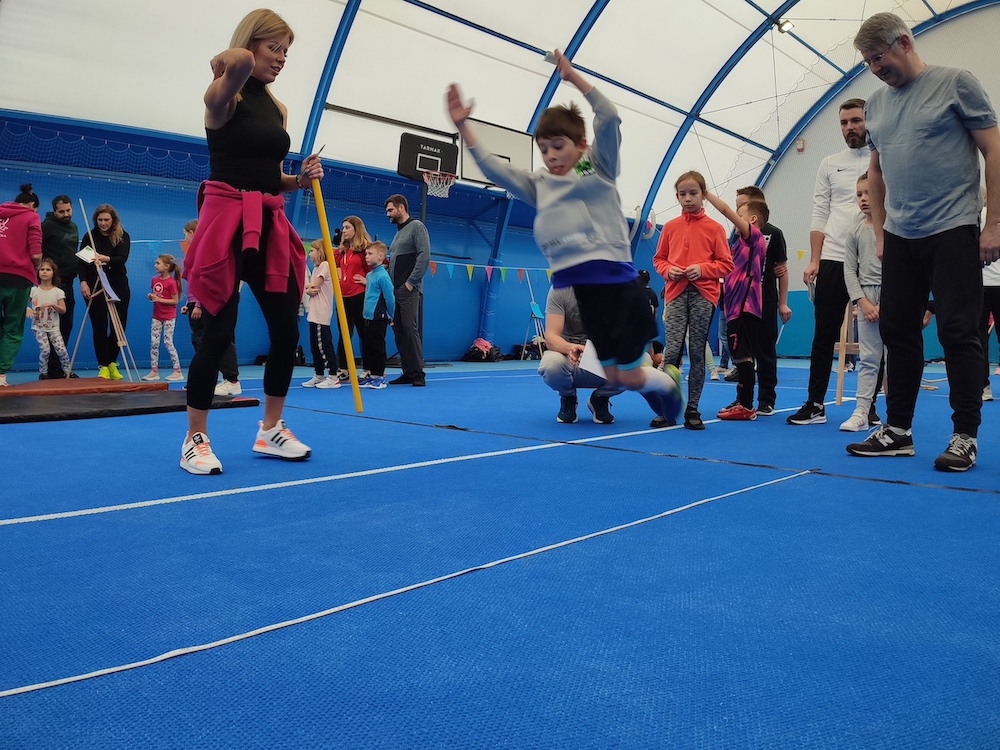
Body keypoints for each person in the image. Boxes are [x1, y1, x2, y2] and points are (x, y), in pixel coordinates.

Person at [446, 51, 683, 424]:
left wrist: (573, 77)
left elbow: (610, 116)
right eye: (543, 149)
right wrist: (464, 128)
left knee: (628, 375)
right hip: (587, 294)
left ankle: (666, 383)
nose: (551, 156)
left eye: (558, 146)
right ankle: (663, 382)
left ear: (581, 145)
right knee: (623, 377)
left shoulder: (597, 167)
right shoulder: (540, 184)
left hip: (619, 286)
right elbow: (495, 170)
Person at [847, 12, 1000, 471]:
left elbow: (994, 149)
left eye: (879, 57)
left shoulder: (956, 83)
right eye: (867, 62)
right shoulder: (877, 104)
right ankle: (898, 430)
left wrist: (994, 223)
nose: (875, 68)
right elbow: (875, 171)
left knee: (958, 331)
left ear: (905, 42)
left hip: (953, 228)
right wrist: (879, 231)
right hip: (900, 236)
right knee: (897, 330)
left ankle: (965, 436)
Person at [180, 8, 325, 475]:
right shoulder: (221, 95)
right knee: (218, 332)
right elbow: (239, 62)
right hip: (226, 218)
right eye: (273, 48)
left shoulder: (278, 109)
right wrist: (233, 58)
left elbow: (271, 176)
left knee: (286, 331)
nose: (281, 58)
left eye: (287, 52)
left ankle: (271, 428)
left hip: (268, 220)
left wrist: (299, 181)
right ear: (250, 44)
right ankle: (195, 438)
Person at [788, 98, 870, 425]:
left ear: (869, 120)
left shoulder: (883, 157)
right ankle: (815, 405)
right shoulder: (829, 163)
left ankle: (868, 408)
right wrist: (814, 260)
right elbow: (820, 211)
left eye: (856, 120)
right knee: (823, 334)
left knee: (874, 337)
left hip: (872, 257)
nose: (850, 127)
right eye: (844, 122)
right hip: (834, 257)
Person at [653, 171, 734, 430]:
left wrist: (703, 269)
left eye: (693, 193)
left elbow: (726, 264)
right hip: (675, 293)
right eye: (682, 194)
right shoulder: (670, 227)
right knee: (672, 350)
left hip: (704, 295)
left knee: (697, 351)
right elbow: (659, 259)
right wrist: (669, 271)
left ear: (703, 195)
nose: (687, 198)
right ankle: (667, 408)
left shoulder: (715, 228)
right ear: (677, 196)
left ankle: (692, 409)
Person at [706, 192, 767, 420]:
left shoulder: (754, 237)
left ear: (752, 219)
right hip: (734, 307)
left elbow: (725, 210)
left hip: (745, 306)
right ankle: (742, 400)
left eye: (739, 214)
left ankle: (746, 405)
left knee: (742, 355)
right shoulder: (738, 245)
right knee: (739, 354)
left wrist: (705, 193)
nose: (735, 218)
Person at [734, 186, 792, 413]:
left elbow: (782, 269)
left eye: (741, 206)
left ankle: (766, 399)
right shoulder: (737, 234)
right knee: (743, 352)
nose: (737, 211)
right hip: (742, 300)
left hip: (765, 298)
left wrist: (783, 303)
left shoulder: (773, 233)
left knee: (766, 350)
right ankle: (743, 398)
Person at [539, 285, 625, 424]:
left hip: (600, 358)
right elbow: (551, 337)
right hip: (568, 358)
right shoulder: (560, 288)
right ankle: (568, 397)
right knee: (551, 364)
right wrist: (570, 348)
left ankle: (600, 398)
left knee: (640, 362)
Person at [840, 173, 885, 432]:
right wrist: (861, 301)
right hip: (866, 297)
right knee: (869, 359)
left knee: (898, 358)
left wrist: (889, 301)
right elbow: (849, 269)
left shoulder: (894, 227)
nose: (863, 199)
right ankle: (862, 411)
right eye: (859, 194)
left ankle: (899, 417)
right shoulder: (855, 230)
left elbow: (904, 268)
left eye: (868, 192)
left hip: (895, 298)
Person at [179, 219, 243, 396]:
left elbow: (206, 278)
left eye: (185, 235)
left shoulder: (207, 249)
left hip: (211, 301)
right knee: (202, 342)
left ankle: (231, 380)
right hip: (200, 302)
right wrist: (190, 304)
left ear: (192, 233)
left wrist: (199, 304)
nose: (184, 238)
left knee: (219, 339)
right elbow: (195, 281)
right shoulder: (196, 251)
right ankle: (207, 379)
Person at [78, 203, 131, 380]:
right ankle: (103, 365)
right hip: (94, 284)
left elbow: (121, 258)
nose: (103, 223)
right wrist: (83, 282)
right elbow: (82, 263)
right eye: (100, 220)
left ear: (113, 220)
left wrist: (105, 258)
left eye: (106, 220)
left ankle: (112, 362)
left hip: (117, 283)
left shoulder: (122, 236)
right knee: (99, 325)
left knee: (119, 325)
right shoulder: (90, 236)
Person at [0, 184, 43, 386]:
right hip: (18, 278)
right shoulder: (31, 217)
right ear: (33, 205)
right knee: (13, 327)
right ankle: (0, 374)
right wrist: (38, 265)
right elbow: (35, 253)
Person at [384, 194, 429, 386]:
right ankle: (408, 372)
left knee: (410, 329)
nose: (388, 214)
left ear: (401, 208)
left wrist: (411, 283)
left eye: (390, 210)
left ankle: (418, 373)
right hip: (394, 290)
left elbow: (424, 256)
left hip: (408, 289)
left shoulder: (417, 227)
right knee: (399, 331)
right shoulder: (398, 233)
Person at [40, 195, 79, 378]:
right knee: (51, 328)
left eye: (68, 210)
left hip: (69, 283)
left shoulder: (74, 226)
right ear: (54, 211)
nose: (66, 214)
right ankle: (49, 370)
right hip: (53, 284)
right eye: (61, 211)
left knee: (66, 326)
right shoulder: (46, 226)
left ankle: (59, 368)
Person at [334, 215, 372, 382]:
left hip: (359, 295)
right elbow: (336, 266)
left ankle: (368, 368)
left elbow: (377, 268)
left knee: (364, 332)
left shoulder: (365, 250)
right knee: (344, 333)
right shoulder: (342, 251)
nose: (344, 231)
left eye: (347, 227)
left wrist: (366, 281)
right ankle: (344, 369)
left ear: (357, 229)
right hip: (343, 296)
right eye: (343, 228)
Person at [301, 238, 340, 389]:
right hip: (314, 313)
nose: (310, 253)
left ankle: (333, 376)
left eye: (312, 250)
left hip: (321, 314)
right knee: (315, 347)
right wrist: (308, 288)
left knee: (324, 345)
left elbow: (314, 287)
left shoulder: (325, 265)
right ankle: (319, 374)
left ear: (320, 251)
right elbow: (309, 288)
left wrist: (308, 288)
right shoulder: (317, 268)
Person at [359, 241, 395, 390]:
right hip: (367, 317)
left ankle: (380, 376)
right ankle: (372, 374)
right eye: (366, 254)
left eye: (370, 254)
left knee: (378, 347)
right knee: (368, 346)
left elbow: (390, 298)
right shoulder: (369, 275)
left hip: (379, 318)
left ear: (380, 256)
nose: (366, 256)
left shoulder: (383, 277)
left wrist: (391, 315)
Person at [143, 254, 184, 381]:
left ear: (166, 266)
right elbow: (157, 294)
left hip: (169, 317)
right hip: (157, 316)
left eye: (158, 263)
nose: (155, 265)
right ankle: (154, 371)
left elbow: (175, 301)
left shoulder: (172, 283)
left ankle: (177, 371)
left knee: (168, 342)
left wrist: (159, 299)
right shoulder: (154, 280)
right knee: (154, 343)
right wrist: (151, 296)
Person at [29, 258, 72, 380]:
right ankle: (43, 373)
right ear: (38, 272)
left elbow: (63, 310)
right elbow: (22, 305)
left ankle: (67, 372)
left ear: (53, 273)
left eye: (48, 269)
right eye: (42, 269)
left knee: (61, 350)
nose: (44, 272)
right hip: (38, 327)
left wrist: (54, 305)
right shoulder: (33, 290)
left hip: (53, 327)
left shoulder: (58, 292)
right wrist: (27, 309)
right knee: (45, 350)